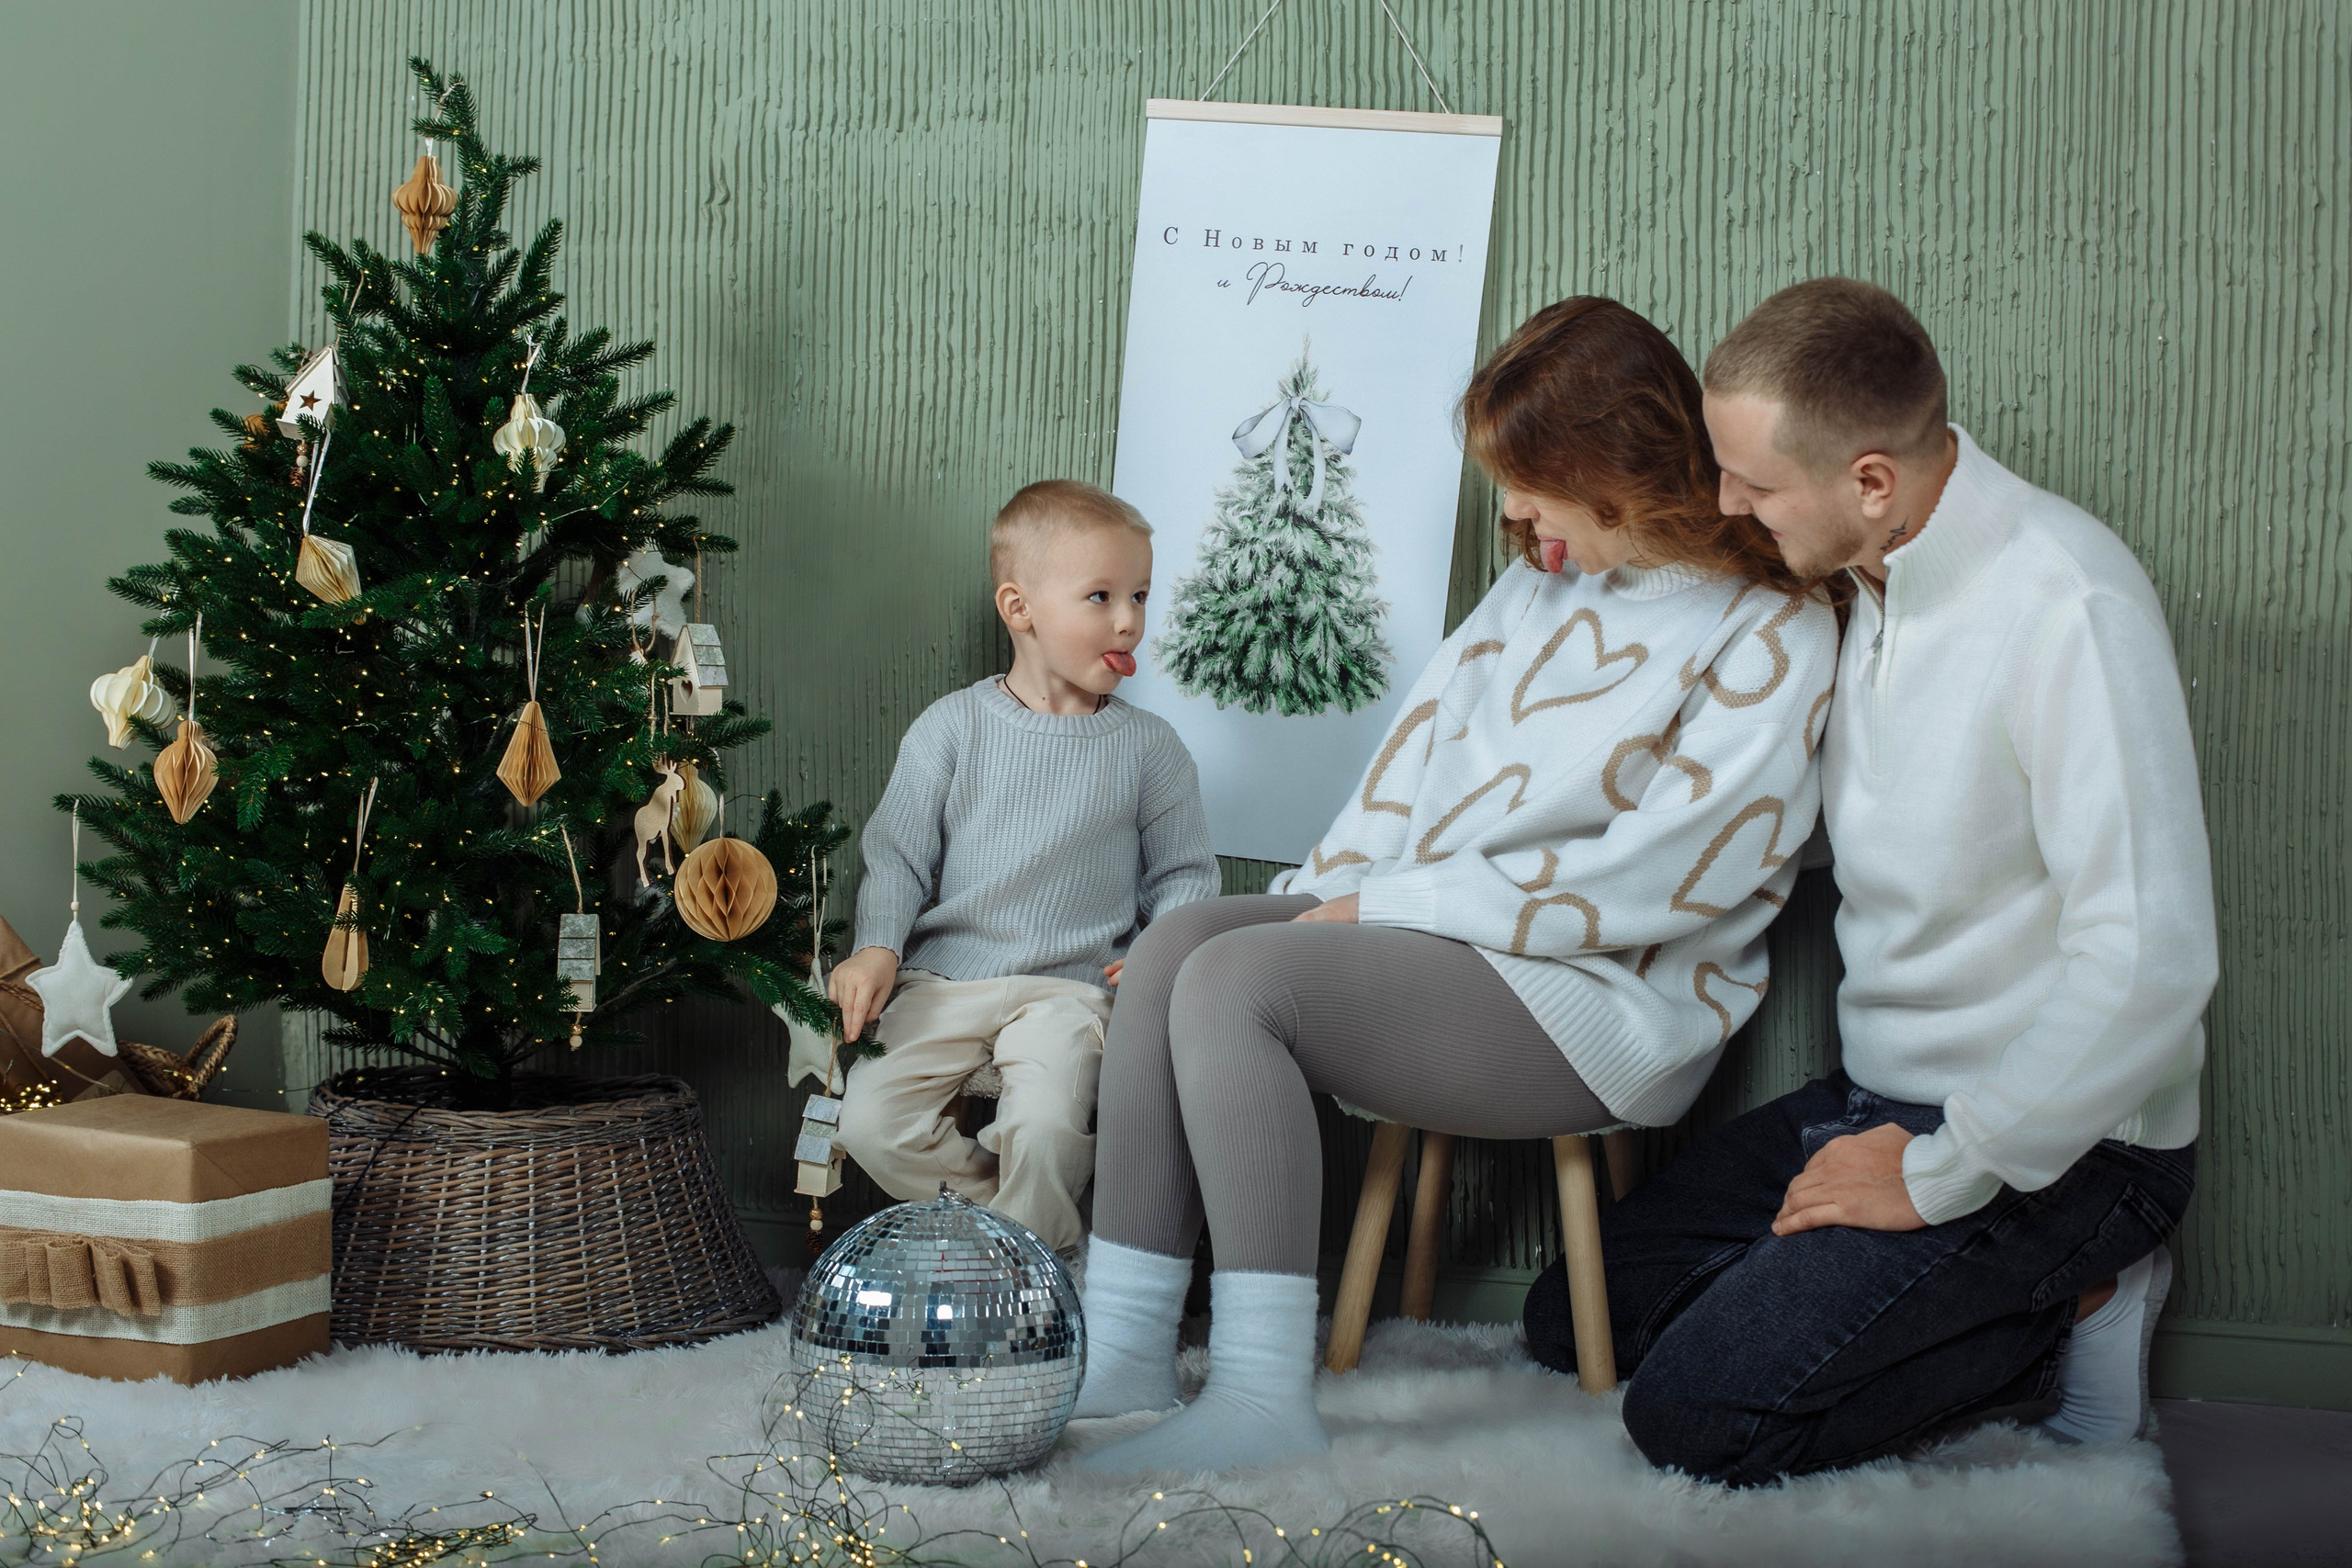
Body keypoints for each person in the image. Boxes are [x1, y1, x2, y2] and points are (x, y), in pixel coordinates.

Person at [1073, 297, 1841, 1476]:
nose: (1513, 510)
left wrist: (1387, 910)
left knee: (1237, 983)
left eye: (1531, 479)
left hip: (1607, 996)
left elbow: (1668, 875)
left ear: (1611, 465)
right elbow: (1409, 773)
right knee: (1182, 943)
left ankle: (1259, 1397)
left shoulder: (1770, 630)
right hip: (1453, 944)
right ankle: (1124, 1345)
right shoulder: (1538, 585)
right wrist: (1325, 893)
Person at [1523, 277, 2216, 1483]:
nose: (1727, 504)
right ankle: (1877, 1294)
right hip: (1877, 1092)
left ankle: (2080, 1296)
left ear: (1873, 483)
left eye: (1753, 482)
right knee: (1569, 1313)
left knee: (1693, 1414)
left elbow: (2154, 955)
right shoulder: (1856, 582)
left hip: (2070, 1141)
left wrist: (1942, 1172)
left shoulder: (2070, 603)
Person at [828, 479, 1220, 1254]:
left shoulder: (1151, 749)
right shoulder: (951, 727)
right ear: (1020, 608)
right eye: (1102, 596)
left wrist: (1156, 952)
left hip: (1071, 990)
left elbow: (1186, 876)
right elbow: (899, 854)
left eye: (1140, 594)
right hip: (945, 981)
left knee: (1042, 1124)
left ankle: (1023, 1271)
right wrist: (878, 944)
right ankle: (1021, 1237)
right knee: (866, 1121)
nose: (1130, 620)